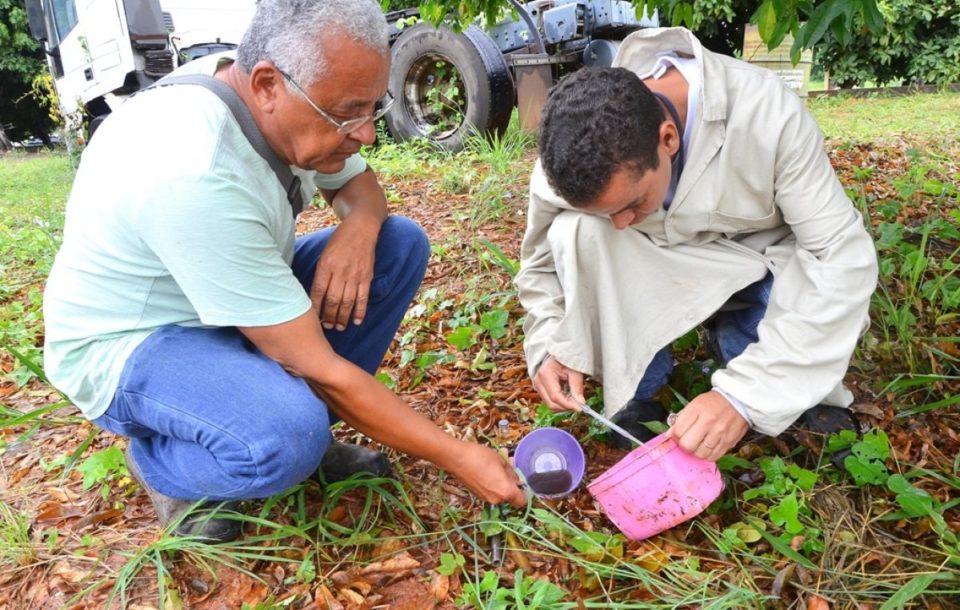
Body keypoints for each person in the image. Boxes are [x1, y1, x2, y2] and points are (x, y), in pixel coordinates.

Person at [43, 0, 525, 543]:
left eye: (372, 108)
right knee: (286, 434)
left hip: (220, 295)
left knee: (397, 245)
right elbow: (321, 368)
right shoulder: (194, 171)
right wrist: (459, 457)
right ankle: (165, 464)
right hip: (134, 341)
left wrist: (359, 228)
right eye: (347, 115)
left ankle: (281, 417)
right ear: (268, 86)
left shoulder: (263, 89)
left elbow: (359, 190)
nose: (365, 134)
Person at [516, 27, 878, 461]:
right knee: (577, 232)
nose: (621, 223)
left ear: (667, 139)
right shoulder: (571, 150)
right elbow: (538, 264)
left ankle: (755, 355)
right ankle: (638, 392)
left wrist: (743, 398)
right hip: (656, 264)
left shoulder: (766, 114)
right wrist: (545, 347)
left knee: (793, 327)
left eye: (633, 203)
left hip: (754, 265)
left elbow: (840, 256)